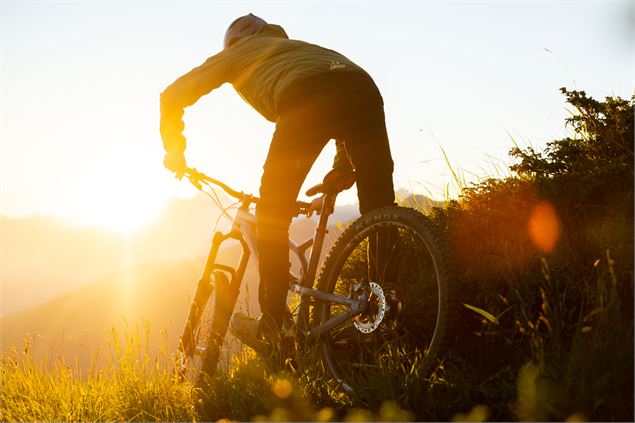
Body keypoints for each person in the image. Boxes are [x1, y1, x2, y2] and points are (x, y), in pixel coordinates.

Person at [160, 13, 395, 354]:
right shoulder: (296, 48)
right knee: (379, 205)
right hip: (362, 87)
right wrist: (343, 166)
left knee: (272, 213)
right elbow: (341, 98)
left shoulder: (236, 54)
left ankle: (272, 326)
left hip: (306, 95)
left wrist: (175, 152)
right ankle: (387, 301)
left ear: (233, 43)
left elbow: (172, 96)